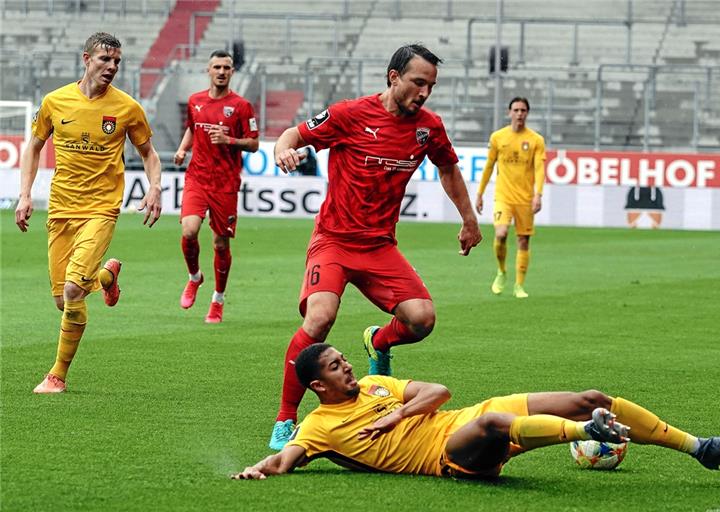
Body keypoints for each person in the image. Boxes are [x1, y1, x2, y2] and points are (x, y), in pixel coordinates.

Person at [269, 44, 482, 450]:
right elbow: (296, 133)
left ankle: (379, 342)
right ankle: (285, 419)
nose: (424, 92)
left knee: (422, 320)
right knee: (319, 319)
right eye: (418, 82)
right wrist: (283, 149)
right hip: (333, 240)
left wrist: (469, 220)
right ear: (393, 77)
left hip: (379, 246)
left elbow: (448, 168)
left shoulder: (428, 127)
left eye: (430, 86)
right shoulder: (350, 114)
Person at [232, 343, 720, 480]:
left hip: (460, 415)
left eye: (345, 359)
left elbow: (437, 391)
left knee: (593, 394)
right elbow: (287, 458)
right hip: (450, 454)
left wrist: (393, 415)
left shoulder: (374, 385)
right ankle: (585, 432)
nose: (348, 366)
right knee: (493, 424)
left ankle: (700, 448)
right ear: (318, 385)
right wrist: (260, 466)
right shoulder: (320, 425)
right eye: (337, 365)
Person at [15, 32, 162, 393]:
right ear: (86, 59)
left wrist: (155, 186)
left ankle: (57, 376)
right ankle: (107, 279)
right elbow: (34, 147)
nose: (111, 67)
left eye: (116, 62)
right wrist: (24, 195)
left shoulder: (127, 108)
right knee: (60, 299)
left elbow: (148, 153)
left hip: (101, 208)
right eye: (104, 60)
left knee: (71, 292)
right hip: (62, 207)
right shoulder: (55, 101)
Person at [173, 50, 259, 323]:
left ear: (232, 72)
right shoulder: (195, 101)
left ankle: (218, 300)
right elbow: (192, 127)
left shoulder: (242, 106)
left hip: (225, 183)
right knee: (189, 230)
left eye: (226, 67)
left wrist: (229, 141)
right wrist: (182, 148)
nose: (221, 71)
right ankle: (194, 277)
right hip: (197, 177)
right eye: (216, 67)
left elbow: (254, 144)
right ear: (208, 70)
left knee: (220, 243)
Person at [476, 97, 545, 298]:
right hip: (503, 197)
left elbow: (540, 169)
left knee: (523, 241)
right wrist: (480, 193)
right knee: (501, 233)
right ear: (509, 113)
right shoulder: (498, 137)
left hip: (525, 198)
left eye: (523, 110)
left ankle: (519, 286)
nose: (519, 114)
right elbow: (489, 166)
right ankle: (501, 271)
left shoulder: (536, 140)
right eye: (516, 110)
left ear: (527, 113)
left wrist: (538, 195)